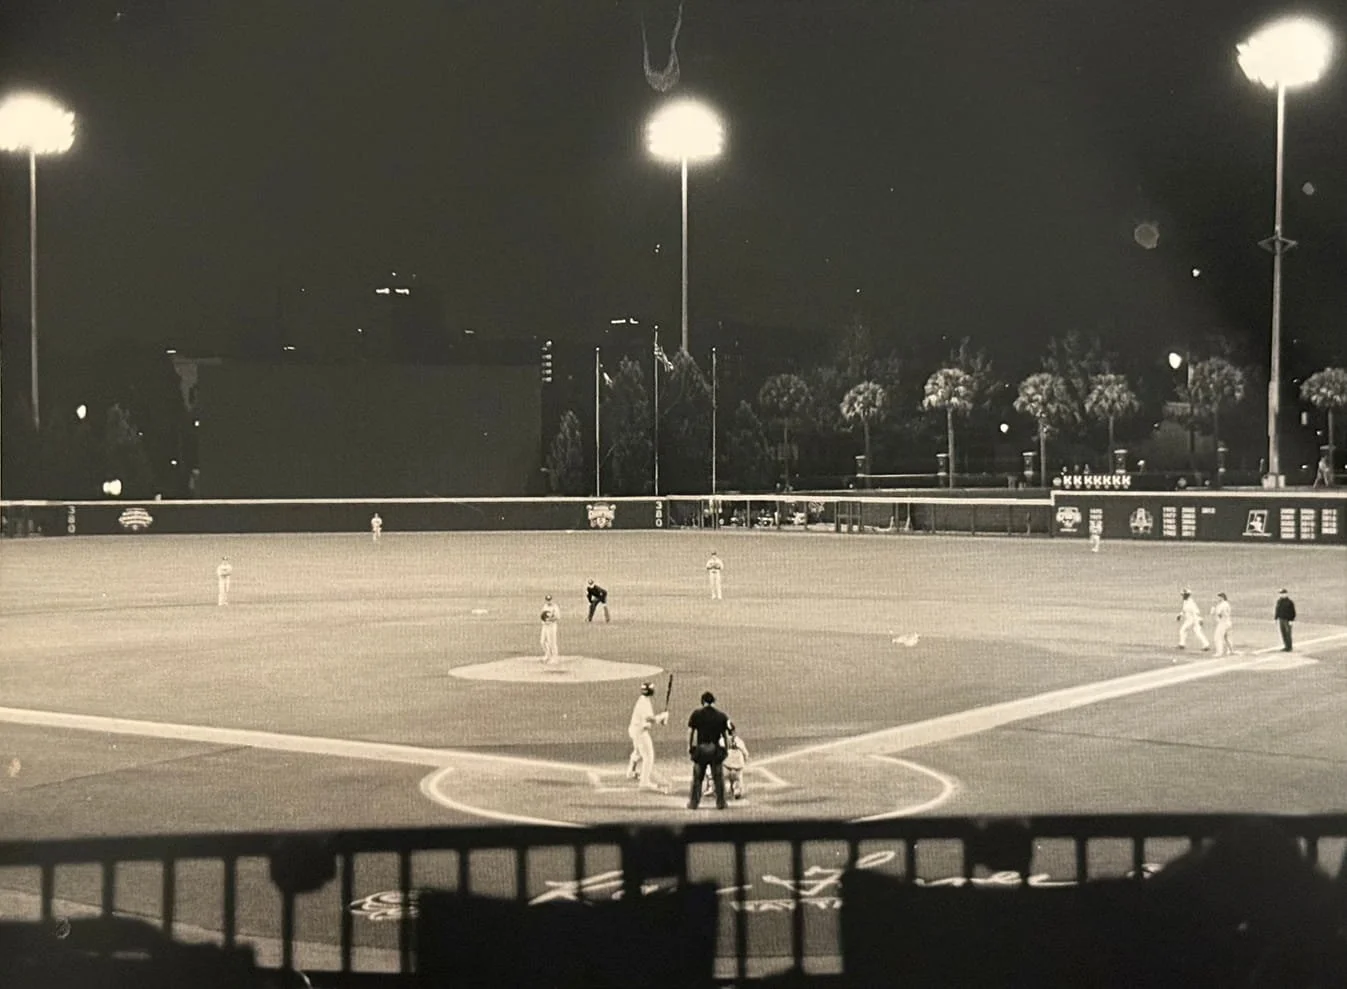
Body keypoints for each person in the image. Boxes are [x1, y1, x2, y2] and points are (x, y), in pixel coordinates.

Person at [686, 691, 731, 810]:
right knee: (718, 778)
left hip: (701, 750)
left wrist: (690, 746)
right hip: (715, 750)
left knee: (697, 778)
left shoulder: (696, 714)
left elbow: (691, 732)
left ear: (702, 702)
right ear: (713, 701)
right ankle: (721, 803)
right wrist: (726, 749)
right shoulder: (721, 715)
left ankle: (693, 803)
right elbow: (725, 735)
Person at [626, 682, 669, 790]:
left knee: (638, 752)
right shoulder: (644, 702)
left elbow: (649, 719)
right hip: (640, 732)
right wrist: (662, 717)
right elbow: (650, 719)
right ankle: (644, 783)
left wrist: (661, 719)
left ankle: (631, 772)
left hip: (634, 730)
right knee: (648, 756)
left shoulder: (642, 700)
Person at [1211, 592, 1234, 657]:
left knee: (1217, 637)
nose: (1217, 599)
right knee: (1227, 638)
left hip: (1223, 623)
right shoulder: (1227, 604)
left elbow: (1219, 614)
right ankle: (1231, 650)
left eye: (1218, 597)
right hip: (1229, 622)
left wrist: (1213, 611)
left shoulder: (1221, 605)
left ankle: (1219, 652)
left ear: (1222, 597)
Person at [539, 594, 560, 663]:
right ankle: (547, 655)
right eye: (547, 600)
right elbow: (542, 616)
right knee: (542, 641)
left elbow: (557, 617)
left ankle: (555, 658)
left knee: (552, 642)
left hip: (552, 626)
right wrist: (544, 621)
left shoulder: (555, 607)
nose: (549, 601)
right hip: (545, 626)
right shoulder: (545, 606)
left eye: (550, 600)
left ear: (552, 600)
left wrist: (549, 620)